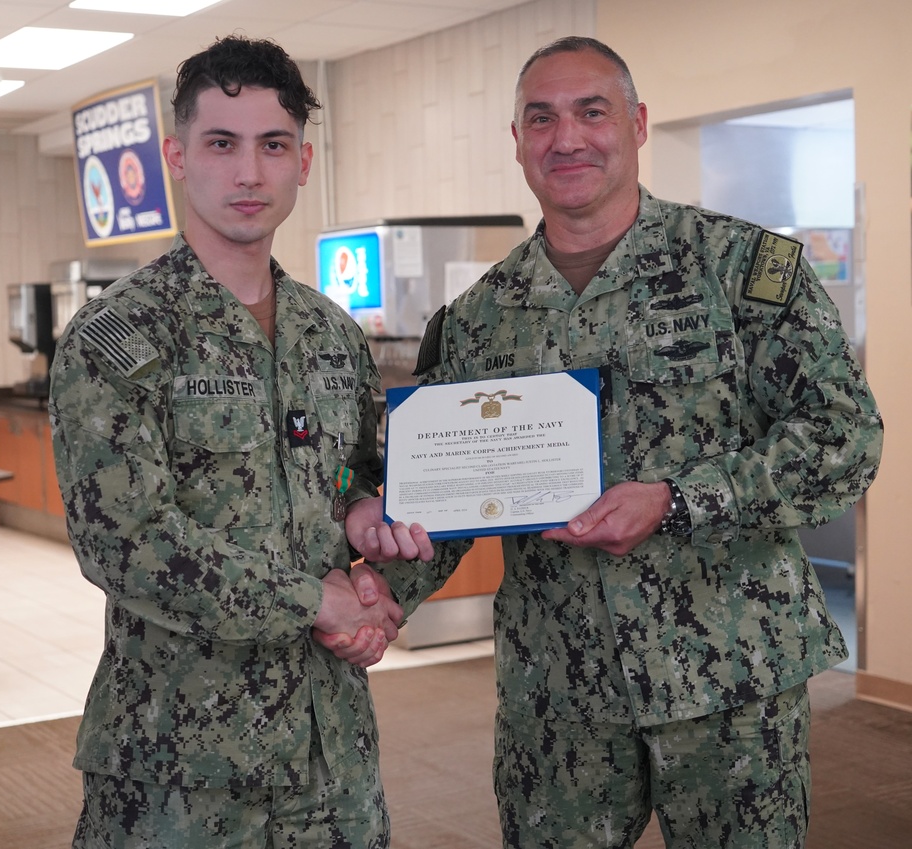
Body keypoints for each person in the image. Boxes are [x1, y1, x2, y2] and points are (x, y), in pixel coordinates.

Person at [333, 36, 884, 849]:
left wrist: (677, 500)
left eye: (593, 111)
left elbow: (845, 439)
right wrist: (382, 594)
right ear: (517, 140)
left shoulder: (740, 271)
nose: (568, 138)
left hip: (729, 683)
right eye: (541, 118)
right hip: (559, 700)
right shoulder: (480, 318)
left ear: (637, 123)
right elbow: (443, 494)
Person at [49, 35, 429, 849]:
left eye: (272, 145)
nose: (249, 173)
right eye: (222, 143)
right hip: (181, 769)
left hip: (334, 756)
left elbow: (363, 479)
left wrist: (369, 531)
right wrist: (315, 598)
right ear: (178, 156)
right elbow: (125, 542)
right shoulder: (119, 336)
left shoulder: (332, 335)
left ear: (304, 160)